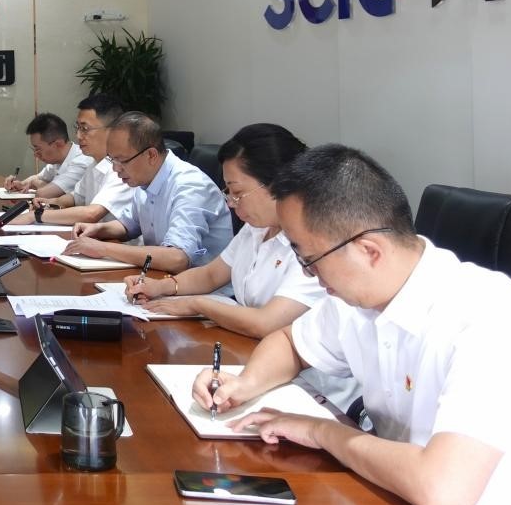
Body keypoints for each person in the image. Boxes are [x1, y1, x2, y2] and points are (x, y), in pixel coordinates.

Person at [192, 144, 511, 505]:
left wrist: (321, 432)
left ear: (369, 251)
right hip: (393, 495)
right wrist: (244, 384)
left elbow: (444, 493)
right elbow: (290, 341)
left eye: (309, 260)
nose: (308, 274)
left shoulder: (490, 317)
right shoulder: (358, 296)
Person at [125, 123, 357, 409]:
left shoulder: (315, 243)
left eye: (237, 192)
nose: (231, 204)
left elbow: (267, 323)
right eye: (228, 192)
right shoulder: (257, 227)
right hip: (255, 363)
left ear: (277, 185)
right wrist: (161, 287)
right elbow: (212, 274)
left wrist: (197, 304)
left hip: (313, 392)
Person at [66, 111, 232, 272]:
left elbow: (177, 258)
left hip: (203, 286)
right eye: (112, 159)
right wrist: (98, 229)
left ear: (151, 155)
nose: (116, 169)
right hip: (161, 277)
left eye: (122, 160)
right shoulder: (146, 178)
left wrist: (103, 248)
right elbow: (129, 225)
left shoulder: (190, 186)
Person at [10, 94, 133, 227]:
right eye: (78, 128)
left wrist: (37, 215)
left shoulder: (122, 169)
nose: (78, 136)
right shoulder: (94, 164)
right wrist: (48, 203)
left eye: (85, 129)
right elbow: (74, 198)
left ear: (113, 131)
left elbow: (91, 214)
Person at [3, 112, 95, 200]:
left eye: (38, 149)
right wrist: (21, 184)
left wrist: (33, 183)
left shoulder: (81, 162)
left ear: (58, 144)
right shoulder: (57, 161)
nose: (35, 154)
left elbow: (44, 194)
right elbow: (37, 177)